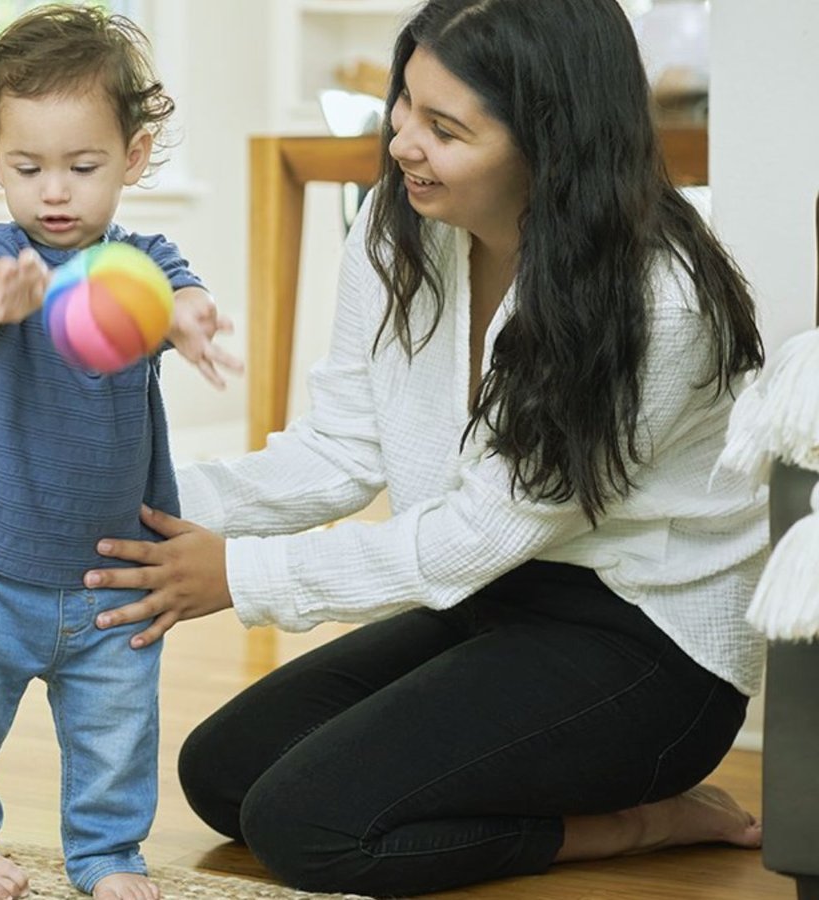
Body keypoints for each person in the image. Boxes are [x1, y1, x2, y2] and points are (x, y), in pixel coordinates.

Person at [82, 0, 769, 895]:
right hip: (492, 596)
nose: (402, 141)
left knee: (306, 826)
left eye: (445, 128)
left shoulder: (655, 301)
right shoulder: (397, 228)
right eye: (405, 102)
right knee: (223, 773)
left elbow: (472, 536)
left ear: (550, 144)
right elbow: (339, 449)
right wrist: (128, 492)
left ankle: (634, 822)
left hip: (643, 643)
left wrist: (241, 577)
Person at [0, 6, 242, 900]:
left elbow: (185, 295)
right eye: (28, 167)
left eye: (82, 166)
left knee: (115, 733)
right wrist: (7, 296)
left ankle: (107, 857)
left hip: (111, 577)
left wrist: (191, 317)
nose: (53, 190)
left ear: (132, 158)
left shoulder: (145, 264)